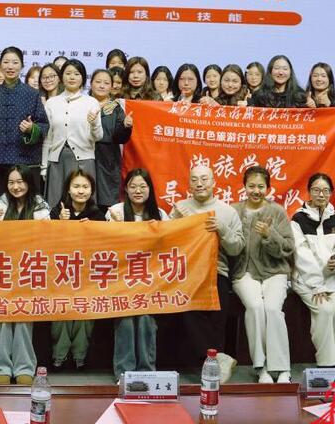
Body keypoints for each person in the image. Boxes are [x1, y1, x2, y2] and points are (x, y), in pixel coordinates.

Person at [169, 164, 245, 382]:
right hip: (186, 271)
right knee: (188, 306)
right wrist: (177, 223)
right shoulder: (179, 208)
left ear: (213, 183)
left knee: (216, 314)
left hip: (216, 270)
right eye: (194, 180)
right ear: (189, 184)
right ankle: (218, 358)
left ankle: (214, 364)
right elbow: (166, 241)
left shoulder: (227, 212)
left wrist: (222, 229)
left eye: (204, 179)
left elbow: (237, 248)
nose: (199, 184)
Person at [0, 165, 50, 385]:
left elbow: (48, 238)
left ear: (29, 182)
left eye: (20, 181)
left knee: (23, 318)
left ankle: (24, 367)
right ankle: (1, 367)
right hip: (1, 270)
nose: (16, 187)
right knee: (1, 317)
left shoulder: (40, 206)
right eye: (11, 182)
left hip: (27, 271)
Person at [231, 166, 295, 383]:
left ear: (268, 188)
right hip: (244, 272)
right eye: (251, 186)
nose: (256, 191)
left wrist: (270, 235)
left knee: (273, 309)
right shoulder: (234, 210)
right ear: (244, 186)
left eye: (260, 186)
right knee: (256, 307)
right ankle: (262, 367)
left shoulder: (277, 211)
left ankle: (282, 368)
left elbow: (288, 247)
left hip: (274, 271)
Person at [106, 169, 165, 377]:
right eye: (133, 186)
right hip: (121, 279)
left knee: (146, 319)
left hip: (150, 281)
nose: (138, 191)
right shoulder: (116, 211)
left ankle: (146, 372)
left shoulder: (161, 215)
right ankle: (125, 373)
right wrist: (117, 227)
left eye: (142, 186)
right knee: (126, 319)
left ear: (150, 189)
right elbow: (106, 247)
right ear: (126, 189)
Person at [290, 173, 335, 368]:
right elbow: (302, 256)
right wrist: (317, 284)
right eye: (316, 190)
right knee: (325, 310)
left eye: (325, 191)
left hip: (333, 280)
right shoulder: (298, 219)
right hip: (307, 281)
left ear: (331, 193)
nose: (321, 194)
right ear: (309, 192)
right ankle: (326, 364)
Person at [49, 170, 104, 369]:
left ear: (92, 190)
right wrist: (61, 224)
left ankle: (80, 356)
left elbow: (105, 247)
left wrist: (94, 230)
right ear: (68, 190)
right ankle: (59, 356)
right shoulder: (57, 212)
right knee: (62, 310)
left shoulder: (99, 215)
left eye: (85, 187)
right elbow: (47, 243)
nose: (81, 191)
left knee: (84, 311)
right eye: (76, 186)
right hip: (61, 273)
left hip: (87, 275)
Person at [0, 47, 49, 200]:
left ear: (22, 65)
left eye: (15, 62)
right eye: (6, 62)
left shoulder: (32, 94)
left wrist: (31, 129)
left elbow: (44, 124)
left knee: (27, 205)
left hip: (25, 161)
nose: (10, 66)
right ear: (0, 65)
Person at [41, 59, 102, 208]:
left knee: (82, 204)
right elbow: (48, 138)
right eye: (68, 73)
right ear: (61, 77)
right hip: (57, 161)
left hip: (84, 160)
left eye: (76, 74)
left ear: (83, 78)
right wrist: (44, 166)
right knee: (56, 205)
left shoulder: (91, 102)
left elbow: (98, 136)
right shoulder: (52, 103)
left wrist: (94, 123)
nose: (72, 77)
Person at [90, 69, 131, 210]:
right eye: (98, 82)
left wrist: (126, 126)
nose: (102, 86)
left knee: (107, 201)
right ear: (91, 83)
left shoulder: (116, 107)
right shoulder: (83, 103)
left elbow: (121, 138)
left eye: (106, 83)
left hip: (108, 159)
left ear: (112, 86)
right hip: (85, 155)